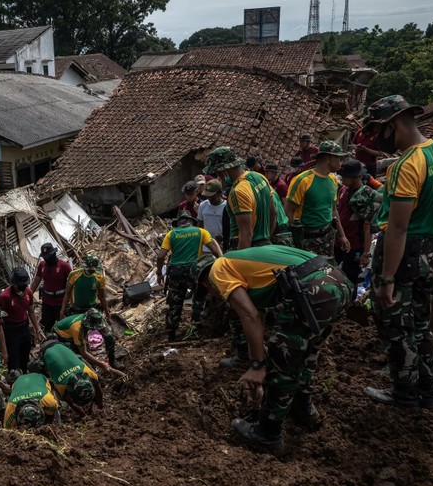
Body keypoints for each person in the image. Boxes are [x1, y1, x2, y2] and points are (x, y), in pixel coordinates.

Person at [362, 95, 433, 411]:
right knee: (421, 326)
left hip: (404, 256)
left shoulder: (407, 165)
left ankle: (404, 394)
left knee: (396, 327)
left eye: (378, 129)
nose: (376, 137)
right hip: (431, 255)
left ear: (392, 126)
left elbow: (398, 228)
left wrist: (387, 278)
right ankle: (428, 393)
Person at [204, 246, 352, 453]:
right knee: (306, 353)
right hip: (338, 282)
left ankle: (267, 434)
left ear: (206, 282)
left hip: (311, 289)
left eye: (212, 293)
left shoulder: (218, 269)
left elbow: (250, 316)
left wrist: (257, 365)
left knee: (282, 360)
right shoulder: (245, 264)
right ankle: (303, 409)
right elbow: (258, 317)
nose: (217, 296)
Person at [156, 211, 222, 341]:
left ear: (179, 223)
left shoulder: (171, 234)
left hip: (176, 273)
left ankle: (172, 334)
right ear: (191, 222)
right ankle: (197, 329)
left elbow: (160, 256)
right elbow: (215, 250)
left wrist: (159, 272)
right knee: (199, 298)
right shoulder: (201, 232)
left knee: (175, 303)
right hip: (194, 272)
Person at [285, 141, 350, 260]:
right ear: (330, 158)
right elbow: (289, 211)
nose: (340, 163)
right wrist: (297, 239)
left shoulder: (332, 180)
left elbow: (333, 209)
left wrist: (342, 235)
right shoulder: (303, 180)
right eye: (339, 159)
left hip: (328, 235)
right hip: (308, 239)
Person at [203, 146, 275, 250]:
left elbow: (246, 234)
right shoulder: (259, 177)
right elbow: (273, 214)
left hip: (245, 248)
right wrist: (266, 241)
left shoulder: (238, 191)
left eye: (217, 172)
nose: (218, 176)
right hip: (265, 244)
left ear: (224, 170)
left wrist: (240, 262)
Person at [335, 159, 377, 289]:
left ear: (356, 177)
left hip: (354, 245)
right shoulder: (343, 190)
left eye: (345, 177)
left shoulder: (364, 195)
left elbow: (367, 225)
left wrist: (366, 253)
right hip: (339, 241)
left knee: (350, 279)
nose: (342, 179)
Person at [0, 267, 42, 373]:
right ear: (14, 284)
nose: (23, 288)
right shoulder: (5, 297)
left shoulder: (28, 292)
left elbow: (31, 311)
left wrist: (37, 329)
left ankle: (25, 373)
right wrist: (3, 348)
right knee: (13, 359)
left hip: (24, 327)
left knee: (25, 354)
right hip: (10, 330)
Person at [34, 341, 102, 410]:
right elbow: (71, 403)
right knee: (40, 371)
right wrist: (85, 416)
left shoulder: (90, 374)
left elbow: (98, 390)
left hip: (59, 344)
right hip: (45, 350)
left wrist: (100, 406)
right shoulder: (61, 385)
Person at [53, 308, 122, 374]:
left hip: (73, 331)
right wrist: (101, 365)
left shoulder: (95, 316)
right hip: (61, 335)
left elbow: (107, 331)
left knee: (108, 338)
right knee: (77, 358)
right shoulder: (77, 329)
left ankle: (107, 364)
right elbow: (84, 353)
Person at [30, 243, 72, 334]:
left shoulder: (64, 266)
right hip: (47, 301)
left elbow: (71, 285)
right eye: (44, 257)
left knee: (64, 326)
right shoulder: (42, 265)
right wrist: (29, 293)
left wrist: (70, 302)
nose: (46, 259)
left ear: (54, 254)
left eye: (48, 256)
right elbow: (37, 279)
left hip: (60, 301)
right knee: (47, 326)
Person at [61, 252, 110, 320]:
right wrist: (62, 310)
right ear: (85, 266)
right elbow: (67, 293)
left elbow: (102, 297)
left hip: (92, 309)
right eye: (90, 269)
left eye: (93, 269)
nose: (92, 271)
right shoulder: (74, 274)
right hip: (76, 308)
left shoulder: (99, 277)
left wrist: (107, 314)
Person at [197, 179, 226, 251]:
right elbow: (200, 226)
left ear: (219, 193)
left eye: (212, 196)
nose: (210, 198)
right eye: (208, 196)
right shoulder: (203, 205)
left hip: (222, 246)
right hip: (206, 247)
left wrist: (224, 237)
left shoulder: (226, 207)